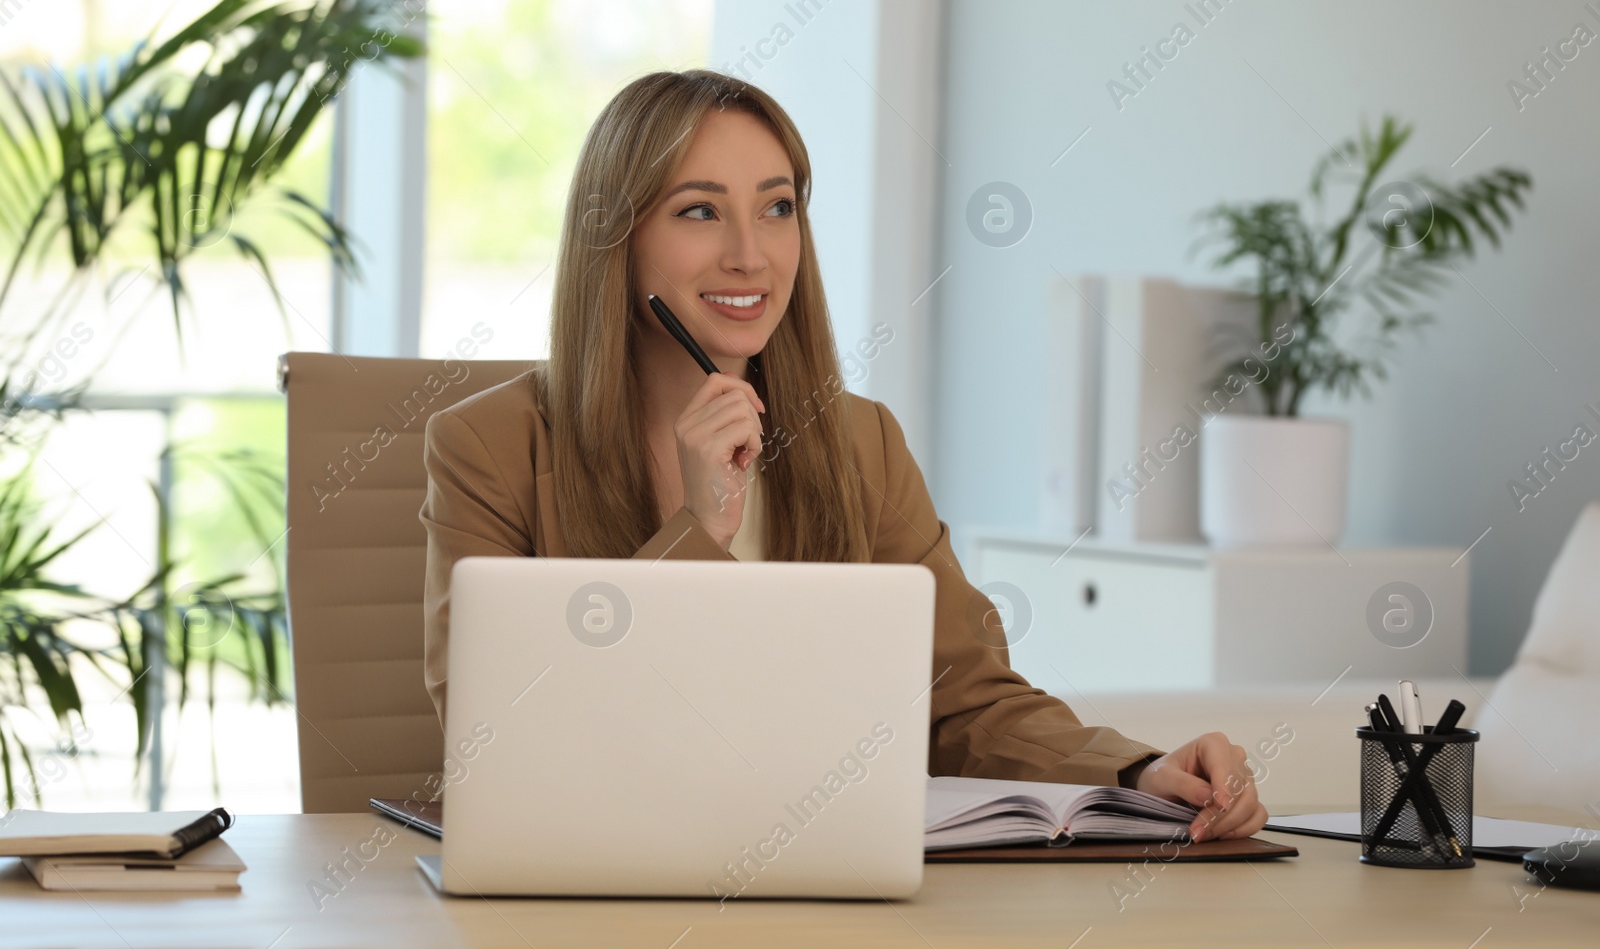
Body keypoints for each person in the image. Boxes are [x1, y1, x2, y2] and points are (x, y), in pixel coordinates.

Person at [419, 69, 1268, 844]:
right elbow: (502, 740)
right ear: (618, 236)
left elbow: (963, 699)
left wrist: (1138, 772)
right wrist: (698, 530)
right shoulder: (489, 448)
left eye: (778, 207)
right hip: (598, 883)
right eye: (700, 211)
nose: (750, 254)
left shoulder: (861, 442)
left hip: (821, 873)